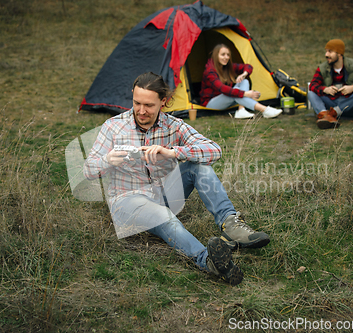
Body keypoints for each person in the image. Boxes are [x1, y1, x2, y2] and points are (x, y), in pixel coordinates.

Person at [83, 72, 270, 286]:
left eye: (149, 105)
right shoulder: (113, 127)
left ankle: (232, 226)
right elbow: (88, 170)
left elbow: (214, 150)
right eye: (137, 103)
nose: (141, 111)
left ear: (163, 102)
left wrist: (173, 152)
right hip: (128, 201)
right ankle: (208, 261)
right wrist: (107, 160)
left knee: (199, 166)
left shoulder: (174, 125)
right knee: (163, 216)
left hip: (163, 194)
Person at [199, 44, 282, 119]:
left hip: (225, 99)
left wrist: (243, 74)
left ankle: (241, 109)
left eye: (228, 55)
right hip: (210, 104)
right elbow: (223, 89)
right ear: (216, 55)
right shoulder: (210, 71)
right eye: (223, 55)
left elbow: (248, 66)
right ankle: (264, 109)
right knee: (232, 94)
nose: (226, 57)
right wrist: (246, 94)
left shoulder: (227, 66)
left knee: (244, 81)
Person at [307, 39, 353, 129]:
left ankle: (332, 114)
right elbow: (313, 85)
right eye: (326, 52)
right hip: (331, 102)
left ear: (339, 53)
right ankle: (325, 115)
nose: (326, 55)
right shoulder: (323, 67)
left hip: (349, 105)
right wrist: (325, 89)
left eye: (330, 52)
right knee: (311, 93)